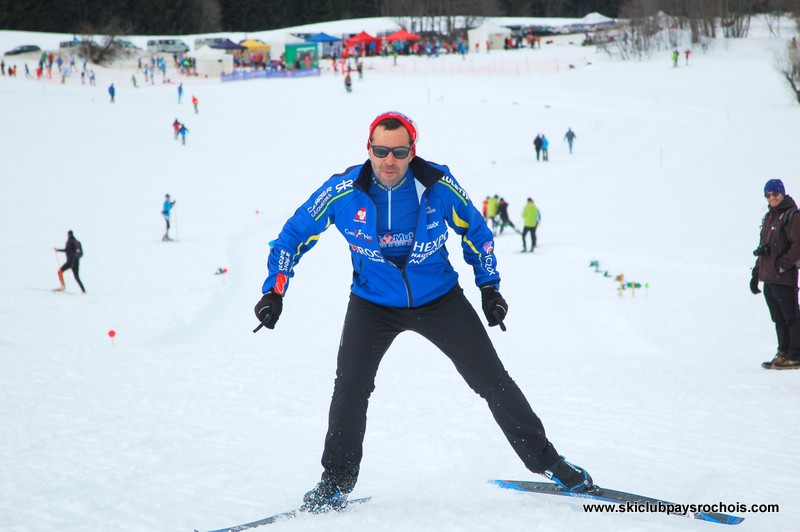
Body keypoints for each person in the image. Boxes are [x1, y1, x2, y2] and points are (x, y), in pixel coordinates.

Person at [253, 111, 595, 514]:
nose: (389, 161)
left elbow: (477, 232)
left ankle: (549, 462)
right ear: (368, 149)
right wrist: (275, 292)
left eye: (399, 151)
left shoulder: (437, 186)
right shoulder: (342, 191)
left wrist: (489, 289)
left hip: (440, 299)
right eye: (380, 151)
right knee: (350, 387)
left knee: (493, 381)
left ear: (413, 151)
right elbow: (292, 236)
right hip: (372, 303)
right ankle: (335, 482)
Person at [751, 179, 800, 369]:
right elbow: (764, 248)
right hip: (769, 277)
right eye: (768, 195)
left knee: (791, 316)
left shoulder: (793, 216)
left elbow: (798, 246)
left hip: (783, 276)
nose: (772, 198)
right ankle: (784, 352)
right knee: (778, 318)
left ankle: (795, 354)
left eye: (775, 194)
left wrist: (782, 264)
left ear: (783, 193)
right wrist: (756, 273)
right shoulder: (770, 216)